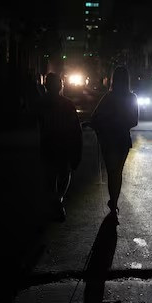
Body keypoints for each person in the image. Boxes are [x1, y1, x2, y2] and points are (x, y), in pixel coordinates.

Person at [90, 66, 138, 220]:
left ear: (113, 79)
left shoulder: (108, 97)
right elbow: (134, 121)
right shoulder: (132, 98)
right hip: (122, 140)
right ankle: (114, 202)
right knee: (117, 172)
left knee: (112, 173)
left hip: (109, 140)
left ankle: (114, 203)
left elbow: (95, 117)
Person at [37, 72, 83, 222]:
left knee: (50, 177)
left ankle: (55, 202)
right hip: (63, 145)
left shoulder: (41, 103)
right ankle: (58, 201)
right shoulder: (67, 104)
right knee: (64, 174)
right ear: (60, 86)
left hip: (48, 144)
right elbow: (75, 129)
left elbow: (37, 124)